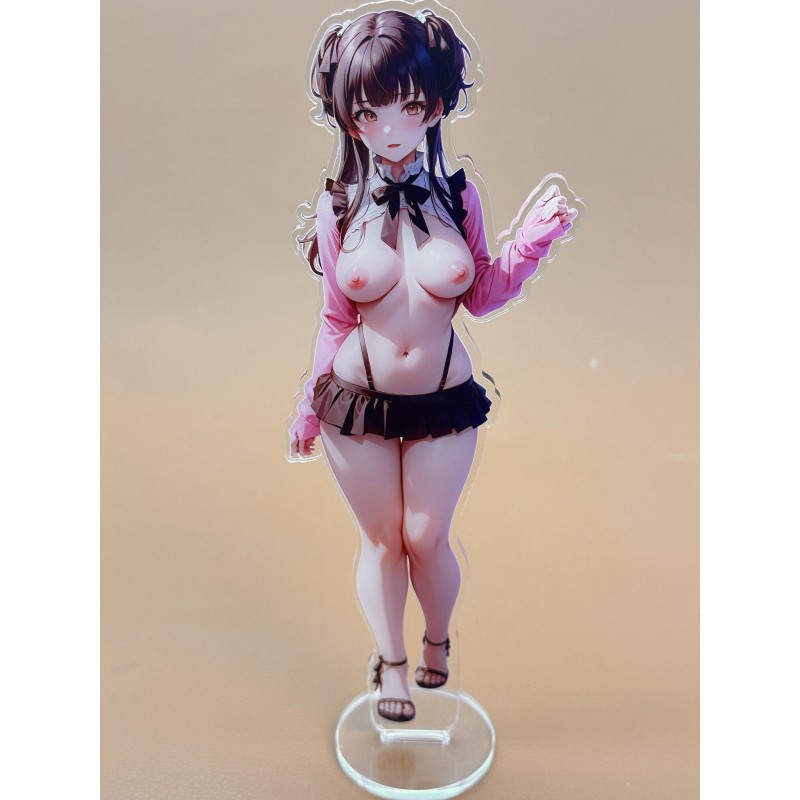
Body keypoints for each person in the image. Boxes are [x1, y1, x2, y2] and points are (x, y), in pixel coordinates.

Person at [288, 7, 577, 723]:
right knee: (383, 542)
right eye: (369, 111)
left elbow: (481, 293)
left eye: (408, 106)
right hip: (355, 401)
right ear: (349, 118)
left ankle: (437, 639)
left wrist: (530, 245)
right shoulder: (338, 206)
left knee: (425, 536)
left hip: (444, 399)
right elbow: (335, 317)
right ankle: (391, 663)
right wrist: (306, 403)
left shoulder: (457, 194)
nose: (390, 126)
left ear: (435, 106)